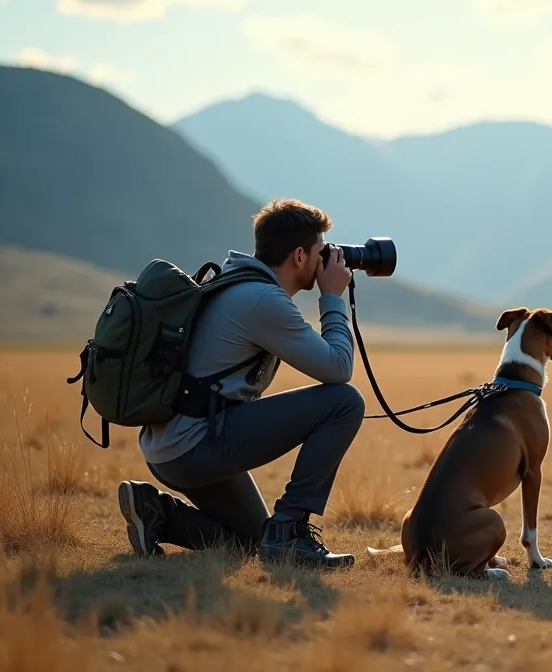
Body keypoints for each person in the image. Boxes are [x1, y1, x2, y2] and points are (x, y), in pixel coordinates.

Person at [117, 198, 366, 569]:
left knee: (254, 540)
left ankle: (158, 512)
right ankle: (291, 533)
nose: (327, 258)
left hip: (169, 447)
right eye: (320, 251)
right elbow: (338, 368)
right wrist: (331, 297)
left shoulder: (238, 281)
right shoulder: (261, 299)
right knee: (344, 401)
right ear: (299, 256)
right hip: (195, 446)